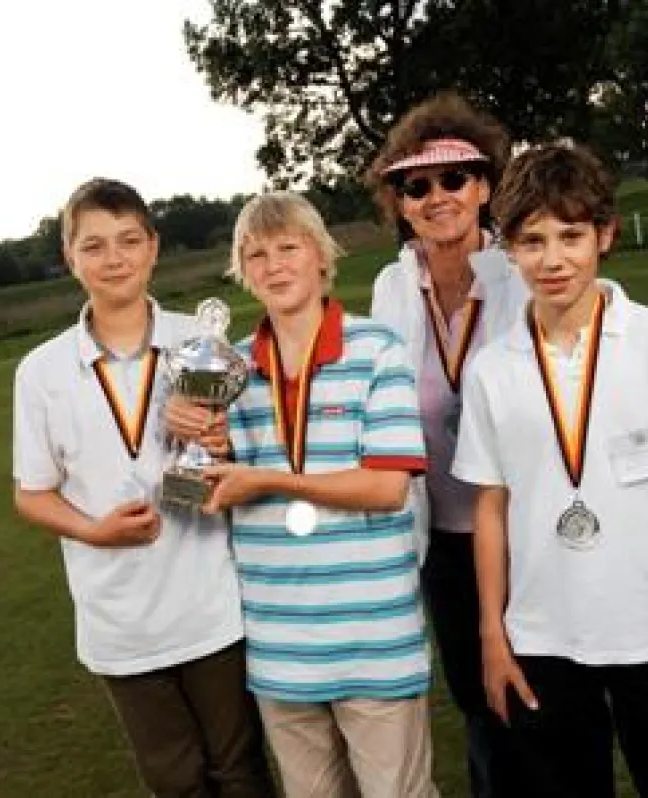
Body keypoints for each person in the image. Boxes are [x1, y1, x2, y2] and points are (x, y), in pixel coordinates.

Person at [452, 142, 648, 798]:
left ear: (605, 235)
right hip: (542, 637)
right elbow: (490, 507)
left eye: (571, 236)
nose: (553, 259)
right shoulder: (492, 368)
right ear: (507, 250)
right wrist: (492, 635)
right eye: (532, 241)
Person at [11, 178, 274, 798]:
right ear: (69, 257)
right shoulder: (42, 372)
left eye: (129, 240)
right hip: (119, 623)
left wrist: (220, 447)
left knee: (240, 773)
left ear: (154, 247)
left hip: (213, 607)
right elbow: (32, 492)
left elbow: (259, 462)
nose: (114, 258)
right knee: (174, 782)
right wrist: (91, 530)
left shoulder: (206, 344)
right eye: (95, 245)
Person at [194, 190, 437, 797]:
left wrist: (270, 479)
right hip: (280, 646)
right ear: (242, 273)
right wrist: (205, 449)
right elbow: (203, 492)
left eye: (287, 248)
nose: (272, 265)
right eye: (255, 255)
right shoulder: (227, 368)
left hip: (373, 639)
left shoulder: (377, 348)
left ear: (321, 255)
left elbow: (386, 488)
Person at [365, 92, 527, 797]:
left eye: (455, 177)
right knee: (476, 694)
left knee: (543, 688)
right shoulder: (391, 286)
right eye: (417, 185)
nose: (438, 196)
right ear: (400, 202)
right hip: (440, 535)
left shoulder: (522, 271)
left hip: (527, 523)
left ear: (485, 186)